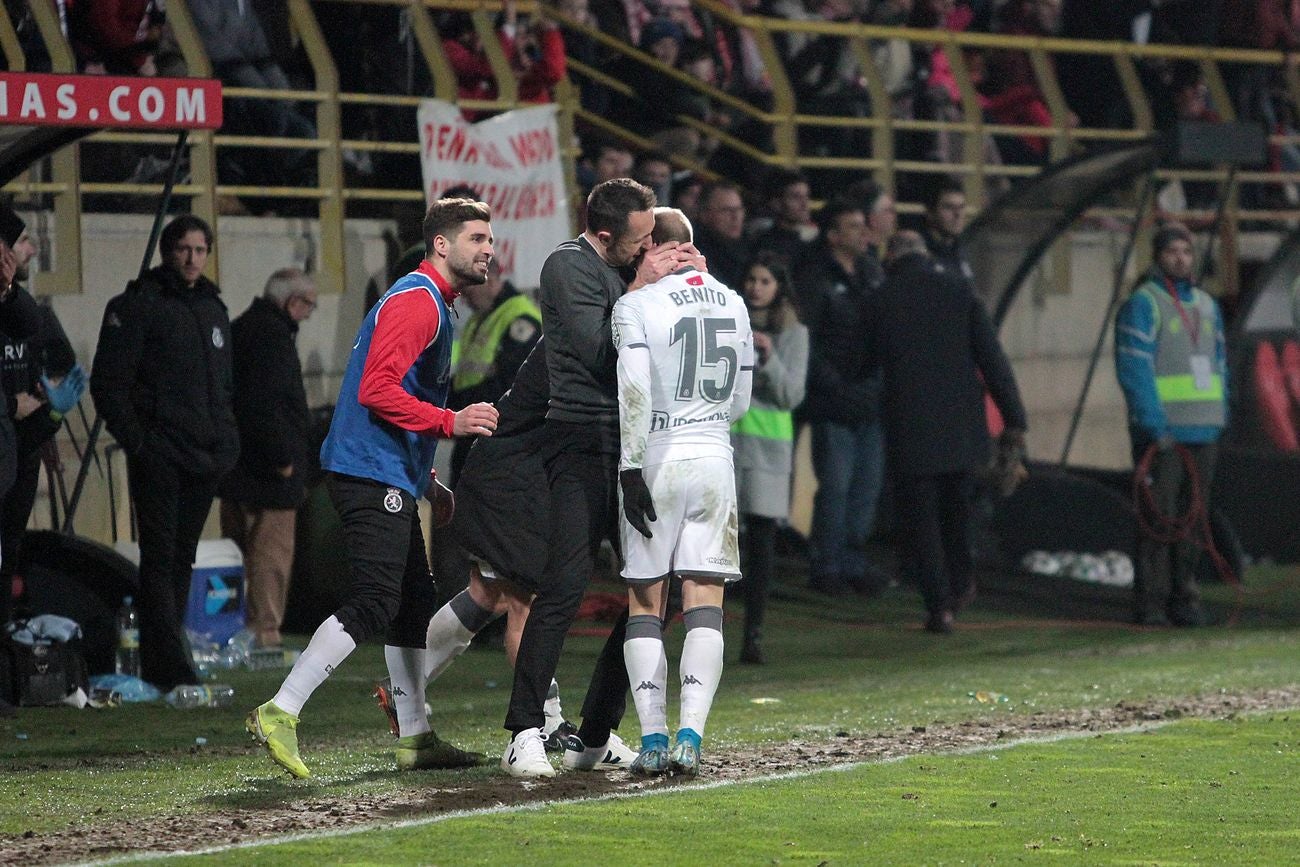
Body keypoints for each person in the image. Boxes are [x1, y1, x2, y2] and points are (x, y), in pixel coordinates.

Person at [245, 199, 501, 779]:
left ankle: (416, 735)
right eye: (478, 237)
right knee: (377, 600)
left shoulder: (430, 302)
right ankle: (279, 711)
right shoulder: (419, 303)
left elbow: (394, 392)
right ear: (442, 244)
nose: (489, 248)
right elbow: (376, 390)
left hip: (386, 469)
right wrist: (450, 423)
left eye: (490, 239)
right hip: (367, 471)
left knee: (413, 604)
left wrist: (425, 476)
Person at [499, 178, 697, 777]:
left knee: (655, 593)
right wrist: (644, 287)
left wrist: (690, 282)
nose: (646, 250)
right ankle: (523, 731)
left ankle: (594, 734)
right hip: (581, 442)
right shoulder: (567, 267)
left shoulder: (634, 266)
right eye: (637, 241)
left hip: (639, 444)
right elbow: (599, 352)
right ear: (605, 235)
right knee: (562, 586)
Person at [613, 206, 753, 775]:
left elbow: (635, 388)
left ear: (652, 249)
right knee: (705, 603)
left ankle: (651, 740)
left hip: (658, 459)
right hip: (716, 458)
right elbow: (741, 401)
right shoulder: (734, 301)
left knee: (646, 601)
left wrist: (630, 466)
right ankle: (690, 737)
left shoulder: (636, 304)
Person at [90, 214, 240, 693]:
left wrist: (227, 440)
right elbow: (108, 383)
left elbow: (224, 386)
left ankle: (165, 656)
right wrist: (140, 443)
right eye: (184, 250)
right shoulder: (140, 305)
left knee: (182, 558)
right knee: (160, 558)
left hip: (205, 456)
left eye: (201, 250)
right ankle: (170, 663)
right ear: (167, 252)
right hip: (161, 454)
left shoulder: (213, 309)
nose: (193, 259)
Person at [870, 231, 1027, 634]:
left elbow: (862, 361)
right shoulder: (960, 289)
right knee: (957, 513)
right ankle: (961, 582)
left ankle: (939, 606)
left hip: (910, 428)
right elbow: (992, 359)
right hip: (961, 429)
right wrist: (1015, 418)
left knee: (923, 521)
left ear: (892, 259)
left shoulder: (883, 297)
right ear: (924, 254)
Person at [1114, 222, 1227, 628]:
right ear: (1157, 257)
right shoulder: (1144, 303)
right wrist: (1152, 423)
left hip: (1204, 431)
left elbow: (1220, 364)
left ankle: (1185, 596)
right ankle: (1152, 602)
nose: (1180, 259)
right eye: (1172, 252)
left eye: (1186, 252)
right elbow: (1134, 367)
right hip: (1163, 435)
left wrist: (1220, 414)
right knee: (1158, 518)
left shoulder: (1208, 305)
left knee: (1194, 520)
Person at [218, 268, 317, 651]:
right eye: (308, 305)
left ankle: (236, 628)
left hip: (237, 469)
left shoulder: (241, 327)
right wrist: (283, 461)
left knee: (238, 553)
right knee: (269, 557)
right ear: (293, 302)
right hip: (269, 477)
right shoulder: (272, 338)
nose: (308, 315)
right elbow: (265, 406)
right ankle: (265, 632)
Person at [800, 191, 891, 597]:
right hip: (833, 403)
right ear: (833, 235)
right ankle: (827, 565)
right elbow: (808, 341)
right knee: (836, 487)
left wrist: (873, 385)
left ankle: (854, 561)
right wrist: (836, 386)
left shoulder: (873, 273)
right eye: (854, 226)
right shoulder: (815, 278)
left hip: (869, 400)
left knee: (865, 489)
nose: (864, 233)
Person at [0, 208, 84, 631]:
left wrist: (50, 411)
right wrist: (12, 405)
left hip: (21, 450)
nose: (31, 250)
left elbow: (58, 366)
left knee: (9, 549)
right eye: (21, 243)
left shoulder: (27, 310)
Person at [731, 252, 807, 664]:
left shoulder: (794, 334)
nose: (756, 287)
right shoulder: (726, 319)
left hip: (767, 458)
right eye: (752, 279)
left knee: (760, 552)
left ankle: (753, 637)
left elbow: (791, 395)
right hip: (726, 450)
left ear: (779, 288)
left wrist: (768, 357)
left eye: (765, 281)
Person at [446, 259, 541, 485]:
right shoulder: (478, 318)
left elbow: (508, 387)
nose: (462, 295)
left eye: (467, 286)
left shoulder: (520, 319)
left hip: (501, 445)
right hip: (472, 436)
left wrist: (453, 405)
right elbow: (465, 378)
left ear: (489, 278)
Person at [692, 181, 752, 291]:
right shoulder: (692, 250)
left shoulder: (751, 247)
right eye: (727, 210)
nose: (736, 217)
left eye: (739, 209)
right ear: (704, 214)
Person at [919, 177, 974, 286]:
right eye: (949, 207)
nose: (957, 214)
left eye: (961, 207)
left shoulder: (966, 250)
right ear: (930, 213)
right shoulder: (919, 254)